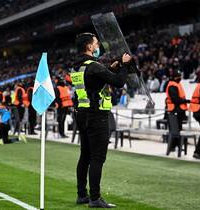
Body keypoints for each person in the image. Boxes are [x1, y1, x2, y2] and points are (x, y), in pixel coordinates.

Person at [72, 32, 131, 208]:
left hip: (82, 114)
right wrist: (125, 65)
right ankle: (95, 198)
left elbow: (94, 83)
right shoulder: (94, 66)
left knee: (85, 156)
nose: (98, 46)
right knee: (97, 158)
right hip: (96, 116)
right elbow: (119, 82)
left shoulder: (77, 66)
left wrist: (111, 69)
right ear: (89, 47)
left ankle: (82, 195)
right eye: (96, 43)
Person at [165, 70, 189, 151]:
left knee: (177, 129)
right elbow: (175, 99)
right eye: (178, 77)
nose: (180, 78)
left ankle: (176, 145)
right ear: (175, 77)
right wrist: (186, 101)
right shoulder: (172, 85)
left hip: (178, 110)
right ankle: (173, 146)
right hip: (174, 110)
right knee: (175, 129)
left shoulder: (176, 84)